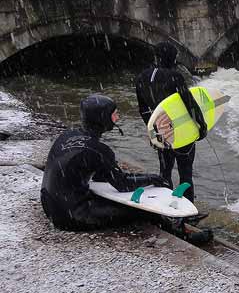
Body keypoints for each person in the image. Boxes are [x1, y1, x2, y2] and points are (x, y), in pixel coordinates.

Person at [40, 94, 171, 231]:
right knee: (143, 211)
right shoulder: (99, 150)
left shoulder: (66, 135)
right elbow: (123, 184)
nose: (117, 118)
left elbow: (99, 175)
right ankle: (177, 230)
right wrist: (154, 179)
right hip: (71, 216)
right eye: (114, 115)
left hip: (50, 206)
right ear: (103, 118)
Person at [135, 42, 207, 203]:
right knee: (186, 172)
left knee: (165, 171)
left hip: (160, 130)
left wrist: (153, 130)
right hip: (180, 130)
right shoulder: (174, 76)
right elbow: (190, 104)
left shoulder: (141, 77)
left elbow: (143, 109)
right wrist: (201, 126)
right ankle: (187, 209)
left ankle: (164, 206)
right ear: (172, 58)